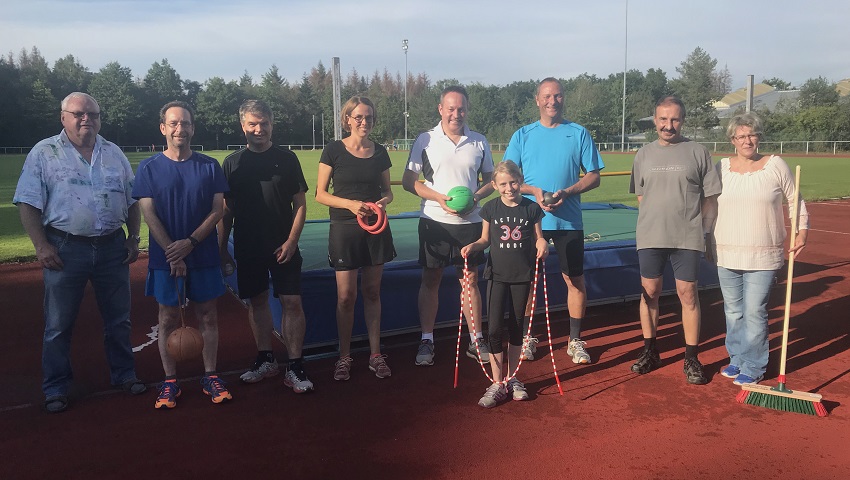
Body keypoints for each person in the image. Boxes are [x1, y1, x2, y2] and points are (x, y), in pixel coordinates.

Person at [14, 92, 146, 413]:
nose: (87, 119)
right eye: (79, 114)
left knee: (119, 320)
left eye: (93, 114)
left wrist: (133, 238)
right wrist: (41, 245)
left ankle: (124, 374)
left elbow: (132, 201)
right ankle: (56, 386)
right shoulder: (44, 153)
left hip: (112, 246)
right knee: (59, 323)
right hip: (65, 247)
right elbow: (28, 202)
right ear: (64, 117)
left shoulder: (114, 153)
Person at [133, 101, 231, 408]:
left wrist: (190, 242)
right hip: (166, 259)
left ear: (192, 128)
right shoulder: (149, 167)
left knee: (208, 316)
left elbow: (217, 210)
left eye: (185, 123)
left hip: (202, 254)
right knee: (167, 318)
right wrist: (173, 254)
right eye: (174, 123)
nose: (180, 129)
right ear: (163, 128)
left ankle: (211, 375)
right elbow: (148, 213)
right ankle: (170, 381)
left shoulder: (209, 166)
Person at [504, 77, 604, 364]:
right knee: (528, 282)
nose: (552, 101)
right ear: (537, 100)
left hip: (568, 222)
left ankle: (575, 340)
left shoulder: (578, 133)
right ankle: (526, 338)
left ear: (563, 99)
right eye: (546, 96)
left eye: (557, 96)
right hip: (530, 221)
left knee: (574, 279)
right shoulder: (523, 135)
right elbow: (508, 179)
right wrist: (534, 191)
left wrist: (569, 191)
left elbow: (594, 175)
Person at [218, 100, 314, 393]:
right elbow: (226, 210)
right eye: (252, 124)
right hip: (247, 245)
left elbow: (300, 204)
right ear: (243, 126)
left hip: (283, 244)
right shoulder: (233, 163)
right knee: (256, 301)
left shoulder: (287, 160)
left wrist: (291, 241)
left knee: (292, 302)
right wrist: (222, 250)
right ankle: (265, 359)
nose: (258, 129)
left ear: (272, 125)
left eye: (264, 124)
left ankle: (295, 366)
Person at [710, 112, 809, 385]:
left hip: (763, 253)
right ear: (732, 140)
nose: (747, 140)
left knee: (754, 310)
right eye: (741, 136)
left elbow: (794, 199)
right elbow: (709, 206)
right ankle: (737, 359)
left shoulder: (775, 165)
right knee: (733, 310)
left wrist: (801, 230)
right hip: (726, 250)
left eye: (752, 135)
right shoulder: (721, 167)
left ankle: (753, 366)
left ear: (759, 137)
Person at [628, 95, 721, 385]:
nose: (669, 125)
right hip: (651, 235)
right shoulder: (643, 154)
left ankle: (691, 357)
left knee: (688, 295)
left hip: (687, 236)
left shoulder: (697, 151)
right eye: (663, 119)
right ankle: (650, 350)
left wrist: (706, 233)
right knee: (650, 292)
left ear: (682, 120)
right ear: (655, 120)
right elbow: (641, 195)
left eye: (675, 119)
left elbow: (710, 200)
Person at [402, 85, 495, 367]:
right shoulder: (425, 140)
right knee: (431, 280)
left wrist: (476, 197)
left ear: (467, 110)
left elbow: (491, 180)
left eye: (461, 108)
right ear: (440, 109)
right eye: (451, 108)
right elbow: (409, 182)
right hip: (435, 221)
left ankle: (476, 338)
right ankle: (427, 339)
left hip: (471, 222)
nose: (457, 114)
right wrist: (439, 198)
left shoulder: (479, 141)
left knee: (470, 281)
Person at [316, 96, 396, 381]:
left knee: (372, 293)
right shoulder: (333, 151)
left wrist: (382, 203)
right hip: (344, 229)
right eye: (359, 117)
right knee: (346, 297)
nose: (364, 122)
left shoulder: (380, 152)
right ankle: (344, 357)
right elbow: (320, 194)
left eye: (369, 118)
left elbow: (388, 191)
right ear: (347, 119)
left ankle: (376, 355)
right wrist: (350, 205)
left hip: (375, 227)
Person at [461, 161, 547, 407]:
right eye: (503, 184)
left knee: (517, 326)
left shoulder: (531, 209)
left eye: (513, 182)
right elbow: (485, 239)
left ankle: (513, 377)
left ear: (520, 180)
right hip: (497, 276)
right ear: (495, 186)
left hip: (522, 276)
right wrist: (472, 247)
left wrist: (543, 245)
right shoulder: (490, 208)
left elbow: (540, 239)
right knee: (495, 329)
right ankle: (498, 383)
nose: (509, 188)